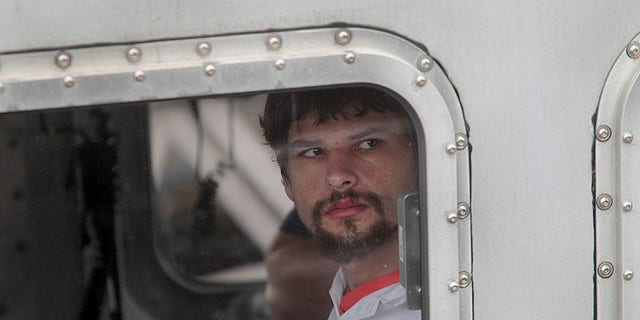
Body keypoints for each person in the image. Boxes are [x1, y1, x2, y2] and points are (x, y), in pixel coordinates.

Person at [260, 87, 421, 319]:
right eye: (313, 152)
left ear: (419, 158)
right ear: (287, 180)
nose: (338, 176)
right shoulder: (350, 297)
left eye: (368, 144)